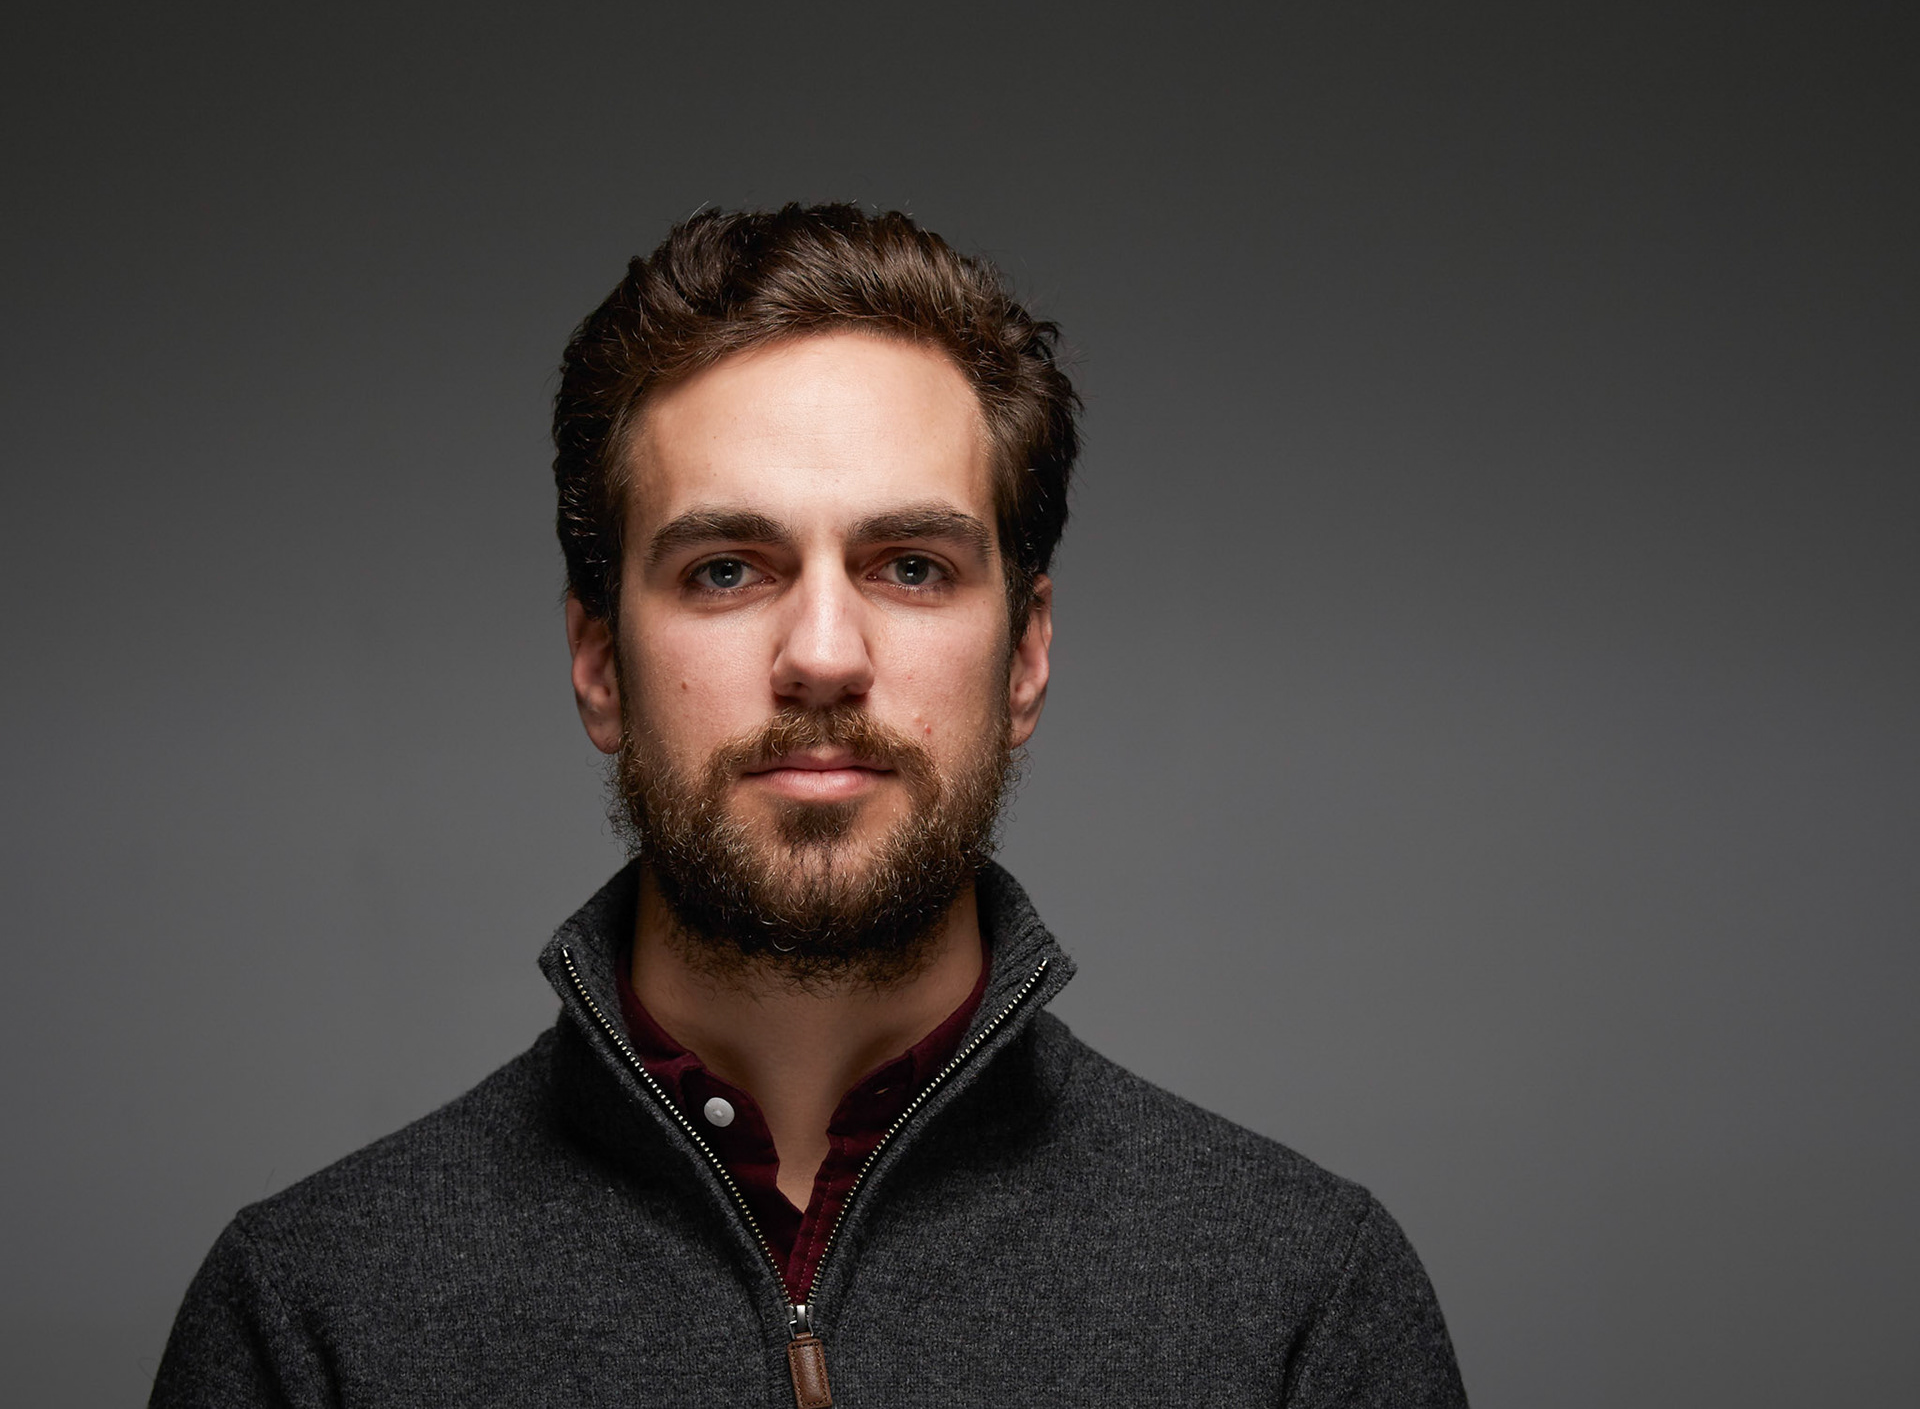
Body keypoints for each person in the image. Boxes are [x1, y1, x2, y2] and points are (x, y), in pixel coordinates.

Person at [151, 204, 1468, 1407]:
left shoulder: (1303, 1311)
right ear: (599, 662)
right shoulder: (311, 1324)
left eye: (912, 566)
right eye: (728, 570)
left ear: (1025, 658)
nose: (825, 655)